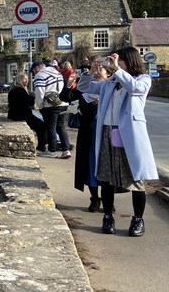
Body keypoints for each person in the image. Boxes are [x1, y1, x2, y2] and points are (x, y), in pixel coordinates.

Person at [84, 47, 158, 237]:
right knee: (107, 177)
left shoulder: (143, 79)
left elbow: (134, 88)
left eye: (118, 60)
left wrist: (117, 70)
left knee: (135, 178)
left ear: (128, 61)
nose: (113, 63)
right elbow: (86, 87)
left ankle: (138, 219)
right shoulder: (111, 83)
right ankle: (107, 217)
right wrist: (90, 72)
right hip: (108, 132)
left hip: (130, 135)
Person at [60, 65, 111, 212]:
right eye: (94, 71)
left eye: (100, 71)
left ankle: (109, 199)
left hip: (107, 133)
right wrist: (69, 84)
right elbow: (65, 97)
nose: (96, 73)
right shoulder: (86, 87)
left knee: (107, 164)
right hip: (88, 132)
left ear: (108, 75)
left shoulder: (112, 88)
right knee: (89, 165)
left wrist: (100, 103)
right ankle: (94, 198)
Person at [31, 61, 72, 158]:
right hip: (63, 103)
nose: (34, 73)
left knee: (51, 127)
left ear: (37, 68)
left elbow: (40, 92)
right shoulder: (57, 73)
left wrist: (40, 105)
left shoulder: (40, 75)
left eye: (33, 71)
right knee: (61, 127)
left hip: (50, 105)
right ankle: (66, 150)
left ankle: (52, 151)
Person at [8, 72, 47, 154]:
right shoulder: (20, 90)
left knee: (40, 125)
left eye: (27, 79)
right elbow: (30, 103)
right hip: (22, 115)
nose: (27, 81)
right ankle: (41, 147)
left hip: (15, 114)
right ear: (20, 80)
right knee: (42, 126)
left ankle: (42, 146)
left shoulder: (13, 89)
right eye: (25, 79)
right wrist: (33, 97)